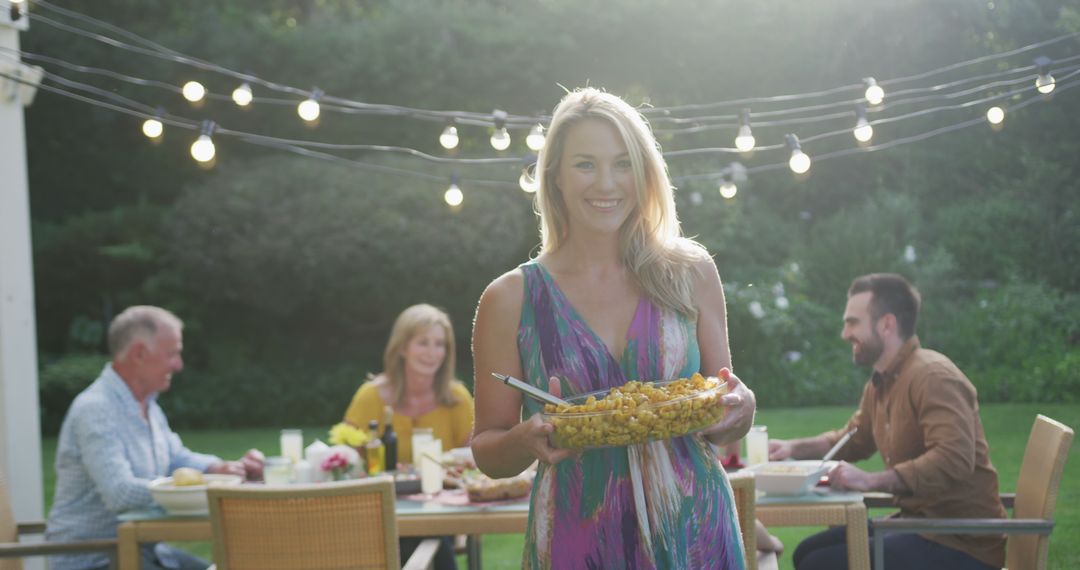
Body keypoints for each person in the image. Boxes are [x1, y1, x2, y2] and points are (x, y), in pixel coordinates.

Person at [471, 88, 756, 569]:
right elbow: (487, 449)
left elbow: (724, 408)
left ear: (644, 173)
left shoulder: (691, 272)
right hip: (578, 539)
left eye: (623, 163)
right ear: (556, 176)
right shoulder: (509, 298)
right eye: (585, 164)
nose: (606, 183)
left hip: (693, 531)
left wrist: (742, 408)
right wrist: (524, 440)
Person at [769, 273, 1007, 570]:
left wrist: (872, 481)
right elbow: (854, 438)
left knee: (821, 563)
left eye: (853, 322)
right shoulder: (882, 383)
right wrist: (791, 448)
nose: (845, 333)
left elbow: (954, 458)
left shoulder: (932, 376)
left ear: (887, 324)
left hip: (961, 541)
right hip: (917, 525)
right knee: (806, 552)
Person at [45, 306, 264, 570]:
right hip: (96, 558)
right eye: (172, 354)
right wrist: (202, 489)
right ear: (139, 353)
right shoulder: (96, 409)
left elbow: (175, 458)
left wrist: (219, 468)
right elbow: (121, 493)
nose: (179, 365)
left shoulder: (148, 405)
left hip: (143, 552)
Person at [342, 302, 474, 570]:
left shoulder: (457, 399)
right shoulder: (371, 396)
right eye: (423, 342)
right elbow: (343, 458)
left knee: (427, 535)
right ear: (402, 347)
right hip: (379, 510)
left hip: (441, 508)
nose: (432, 352)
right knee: (412, 539)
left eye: (440, 344)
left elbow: (473, 461)